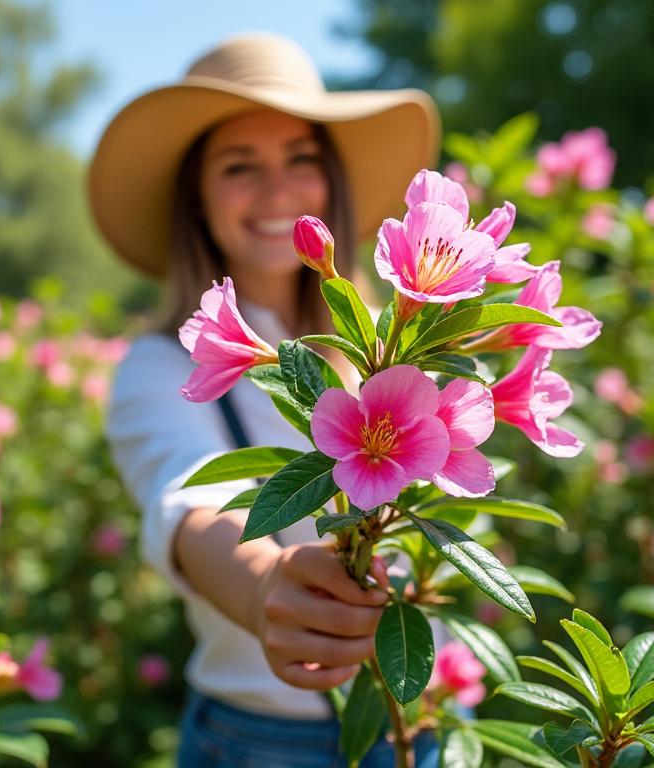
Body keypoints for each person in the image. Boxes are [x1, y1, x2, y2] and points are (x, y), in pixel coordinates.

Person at [92, 33, 440, 767]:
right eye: (239, 167)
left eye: (301, 159)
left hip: (425, 723)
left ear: (333, 181)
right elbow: (184, 496)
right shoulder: (158, 366)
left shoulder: (383, 339)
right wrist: (261, 589)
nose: (277, 192)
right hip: (265, 742)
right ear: (198, 199)